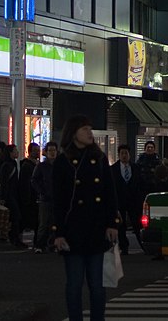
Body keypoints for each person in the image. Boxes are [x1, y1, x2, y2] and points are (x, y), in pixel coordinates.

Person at [51, 115, 120, 321]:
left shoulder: (99, 159)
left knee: (97, 286)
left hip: (97, 230)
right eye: (85, 129)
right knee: (74, 284)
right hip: (73, 231)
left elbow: (110, 193)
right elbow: (59, 201)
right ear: (73, 133)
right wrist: (59, 233)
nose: (90, 133)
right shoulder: (63, 162)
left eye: (90, 129)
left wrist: (112, 223)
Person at [112, 145, 142, 254]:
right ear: (119, 155)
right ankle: (124, 246)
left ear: (129, 155)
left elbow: (140, 184)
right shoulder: (113, 169)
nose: (124, 156)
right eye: (122, 153)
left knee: (137, 223)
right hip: (119, 200)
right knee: (121, 224)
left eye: (126, 153)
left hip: (133, 200)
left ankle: (142, 244)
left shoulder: (136, 168)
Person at [0, 141, 24, 247]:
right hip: (9, 195)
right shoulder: (8, 165)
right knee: (15, 216)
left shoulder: (11, 164)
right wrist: (3, 197)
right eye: (15, 151)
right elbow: (4, 182)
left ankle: (10, 237)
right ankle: (14, 238)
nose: (17, 152)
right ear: (10, 153)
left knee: (8, 216)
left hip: (11, 194)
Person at [31, 141, 58, 252]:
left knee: (54, 222)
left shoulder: (59, 166)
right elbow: (34, 180)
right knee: (43, 222)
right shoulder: (42, 166)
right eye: (50, 150)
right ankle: (39, 245)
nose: (52, 153)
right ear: (46, 152)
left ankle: (52, 244)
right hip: (45, 198)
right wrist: (41, 191)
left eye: (54, 150)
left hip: (56, 198)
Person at [18, 143, 40, 247]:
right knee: (29, 219)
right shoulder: (27, 166)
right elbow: (24, 183)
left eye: (38, 150)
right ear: (30, 151)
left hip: (35, 196)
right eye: (35, 150)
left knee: (35, 219)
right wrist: (25, 197)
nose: (37, 152)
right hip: (29, 197)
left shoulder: (36, 165)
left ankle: (36, 240)